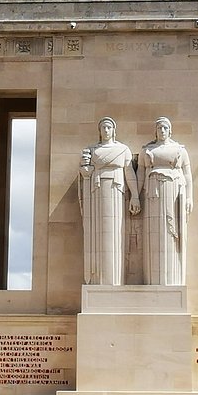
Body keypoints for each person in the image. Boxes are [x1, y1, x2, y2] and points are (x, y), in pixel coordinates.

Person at [78, 117, 138, 285]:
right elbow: (86, 173)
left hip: (116, 192)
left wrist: (135, 195)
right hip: (96, 193)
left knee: (116, 232)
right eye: (103, 127)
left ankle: (115, 280)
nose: (105, 130)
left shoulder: (122, 150)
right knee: (98, 234)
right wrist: (84, 168)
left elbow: (129, 173)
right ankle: (98, 280)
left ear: (113, 130)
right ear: (99, 131)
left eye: (108, 127)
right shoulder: (91, 150)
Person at [137, 116, 192, 285]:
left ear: (170, 130)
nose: (162, 131)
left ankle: (172, 279)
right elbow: (140, 174)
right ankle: (153, 280)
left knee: (172, 232)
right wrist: (134, 196)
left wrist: (189, 196)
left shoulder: (180, 150)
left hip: (173, 191)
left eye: (165, 128)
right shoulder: (147, 150)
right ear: (155, 131)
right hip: (153, 193)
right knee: (153, 233)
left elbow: (188, 175)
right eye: (159, 128)